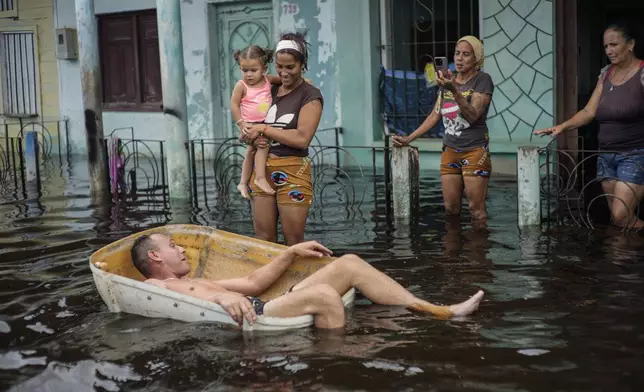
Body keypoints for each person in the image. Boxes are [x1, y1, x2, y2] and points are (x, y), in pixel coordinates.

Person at [131, 233, 485, 329]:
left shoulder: (201, 278)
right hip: (261, 315)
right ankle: (334, 362)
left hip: (263, 302)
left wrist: (292, 252)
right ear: (156, 258)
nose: (182, 250)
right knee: (326, 295)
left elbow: (255, 283)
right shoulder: (156, 286)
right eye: (173, 246)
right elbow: (145, 294)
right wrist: (222, 300)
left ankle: (438, 310)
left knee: (349, 264)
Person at [535, 23, 644, 229]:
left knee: (621, 216)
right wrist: (562, 127)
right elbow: (589, 112)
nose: (609, 51)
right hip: (606, 156)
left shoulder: (641, 72)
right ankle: (621, 258)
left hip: (635, 155)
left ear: (630, 45)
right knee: (618, 220)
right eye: (605, 46)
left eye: (614, 44)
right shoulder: (606, 74)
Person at [392, 36, 494, 223]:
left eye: (466, 54)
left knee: (476, 210)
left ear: (476, 58)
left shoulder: (482, 80)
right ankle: (453, 252)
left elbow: (472, 116)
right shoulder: (448, 81)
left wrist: (453, 89)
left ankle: (478, 251)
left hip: (474, 151)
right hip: (450, 151)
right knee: (450, 209)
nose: (459, 58)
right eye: (457, 54)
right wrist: (409, 138)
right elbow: (435, 115)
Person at [240, 32, 322, 246]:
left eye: (290, 67)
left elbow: (302, 139)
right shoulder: (268, 89)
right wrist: (248, 133)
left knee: (294, 241)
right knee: (263, 239)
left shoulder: (310, 95)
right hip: (261, 170)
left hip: (294, 171)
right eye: (279, 66)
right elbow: (249, 116)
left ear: (302, 64)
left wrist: (263, 129)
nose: (284, 73)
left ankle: (298, 281)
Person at [230, 45, 281, 199]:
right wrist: (240, 123)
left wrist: (303, 81)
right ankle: (260, 178)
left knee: (251, 152)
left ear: (264, 68)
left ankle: (243, 183)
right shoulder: (241, 86)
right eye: (244, 70)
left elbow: (283, 80)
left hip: (262, 124)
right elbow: (234, 104)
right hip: (250, 125)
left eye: (254, 70)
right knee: (263, 146)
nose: (249, 75)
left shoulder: (268, 80)